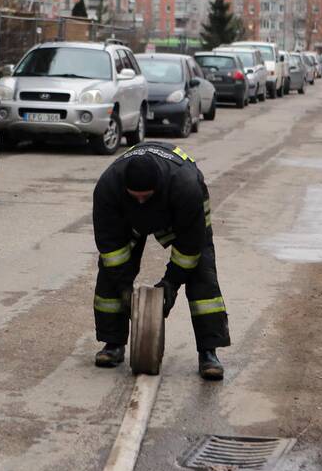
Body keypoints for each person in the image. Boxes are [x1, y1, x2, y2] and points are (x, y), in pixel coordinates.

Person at [91, 142, 230, 380]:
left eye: (146, 197)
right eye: (136, 197)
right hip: (128, 218)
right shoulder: (108, 187)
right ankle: (112, 345)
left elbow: (190, 247)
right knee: (110, 270)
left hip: (179, 214)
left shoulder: (186, 187)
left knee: (202, 273)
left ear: (158, 187)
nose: (142, 201)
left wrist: (171, 284)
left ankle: (208, 352)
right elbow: (110, 245)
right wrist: (124, 287)